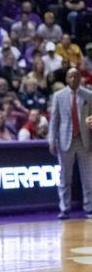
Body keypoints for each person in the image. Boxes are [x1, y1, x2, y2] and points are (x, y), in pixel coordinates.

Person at [49, 68, 92, 219]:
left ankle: (89, 208)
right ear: (66, 79)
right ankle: (64, 209)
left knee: (88, 177)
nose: (73, 79)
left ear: (80, 78)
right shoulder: (58, 96)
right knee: (65, 177)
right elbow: (54, 120)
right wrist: (51, 140)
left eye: (76, 76)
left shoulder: (89, 95)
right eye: (70, 77)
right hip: (65, 140)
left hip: (84, 140)